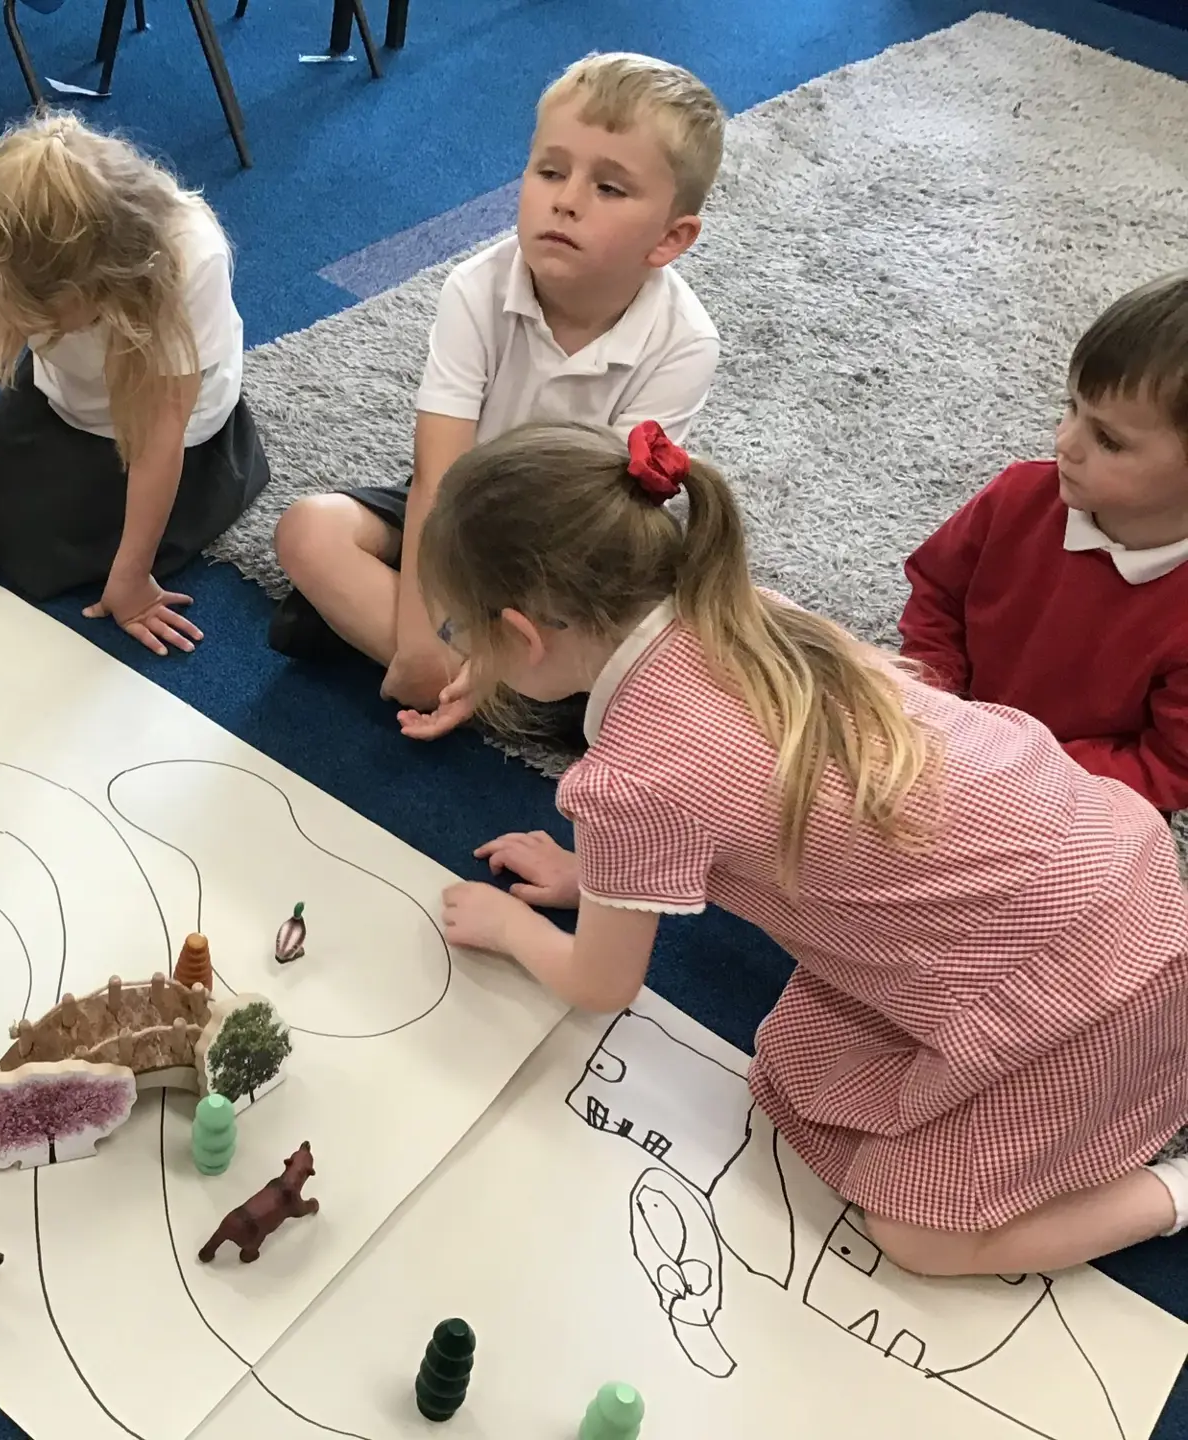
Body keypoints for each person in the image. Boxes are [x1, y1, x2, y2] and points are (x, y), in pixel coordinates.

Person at [419, 416, 1188, 1279]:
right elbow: (729, 804)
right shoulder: (745, 611)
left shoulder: (628, 780)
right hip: (1116, 859)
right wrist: (594, 877)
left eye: (461, 635)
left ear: (523, 635)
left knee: (920, 1236)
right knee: (814, 1065)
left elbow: (601, 986)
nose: (465, 655)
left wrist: (511, 928)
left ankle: (1172, 1193)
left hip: (1078, 994)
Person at [266, 51, 724, 739]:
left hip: (575, 548)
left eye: (608, 188)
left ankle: (464, 676)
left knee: (656, 663)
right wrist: (419, 637)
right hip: (464, 510)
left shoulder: (684, 342)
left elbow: (600, 529)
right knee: (308, 531)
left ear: (670, 238)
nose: (566, 200)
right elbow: (438, 475)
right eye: (550, 171)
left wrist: (470, 649)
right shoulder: (475, 289)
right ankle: (483, 685)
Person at [0, 110, 269, 657]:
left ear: (102, 285)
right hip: (65, 394)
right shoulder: (0, 255)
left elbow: (159, 436)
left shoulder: (188, 258)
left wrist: (132, 577)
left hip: (178, 424)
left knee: (70, 548)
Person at [900, 271, 1188, 816]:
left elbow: (1171, 765)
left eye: (1108, 440)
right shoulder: (1018, 494)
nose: (1064, 442)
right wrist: (936, 697)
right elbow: (937, 590)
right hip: (957, 735)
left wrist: (1023, 769)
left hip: (1081, 801)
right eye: (1071, 406)